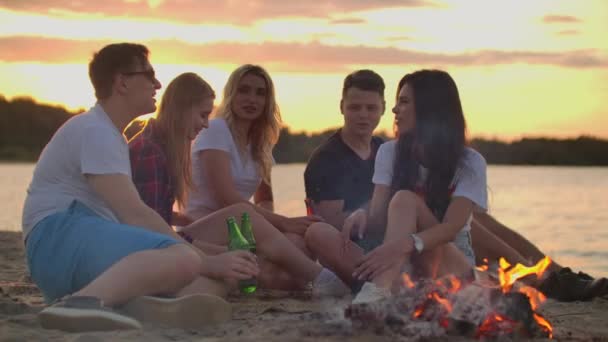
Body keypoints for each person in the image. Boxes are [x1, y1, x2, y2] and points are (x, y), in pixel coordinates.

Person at [21, 43, 258, 332]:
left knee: (216, 280)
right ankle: (80, 303)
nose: (158, 83)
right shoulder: (94, 130)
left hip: (76, 254)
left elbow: (130, 220)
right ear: (122, 82)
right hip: (58, 240)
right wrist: (208, 260)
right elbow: (135, 215)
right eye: (149, 75)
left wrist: (212, 265)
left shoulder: (110, 135)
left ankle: (136, 308)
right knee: (185, 260)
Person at [129, 71, 348, 295]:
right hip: (210, 225)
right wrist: (283, 224)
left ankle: (308, 283)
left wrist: (279, 230)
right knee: (249, 232)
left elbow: (264, 198)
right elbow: (224, 199)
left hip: (234, 227)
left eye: (260, 93)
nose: (252, 99)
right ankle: (322, 279)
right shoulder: (210, 132)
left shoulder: (259, 142)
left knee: (297, 244)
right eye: (244, 90)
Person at [306, 69, 482, 303]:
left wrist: (405, 244)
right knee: (317, 232)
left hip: (449, 261)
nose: (395, 109)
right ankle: (394, 289)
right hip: (399, 260)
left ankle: (378, 290)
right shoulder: (389, 152)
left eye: (404, 102)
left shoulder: (469, 161)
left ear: (429, 107)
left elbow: (450, 229)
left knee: (404, 200)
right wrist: (363, 215)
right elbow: (379, 220)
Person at [304, 69, 386, 254]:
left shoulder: (386, 151)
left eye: (371, 108)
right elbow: (333, 225)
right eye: (355, 107)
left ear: (384, 107)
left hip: (389, 247)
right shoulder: (325, 160)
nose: (363, 115)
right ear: (342, 106)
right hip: (346, 253)